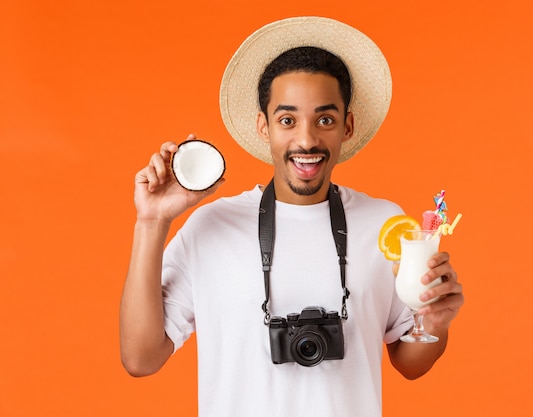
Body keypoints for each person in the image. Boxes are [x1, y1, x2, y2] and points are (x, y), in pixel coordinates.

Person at [119, 16, 464, 417]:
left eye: (325, 119)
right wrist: (151, 222)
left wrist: (436, 323)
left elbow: (410, 364)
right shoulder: (211, 227)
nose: (306, 139)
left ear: (347, 127)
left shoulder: (387, 227)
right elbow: (140, 359)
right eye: (287, 120)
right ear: (264, 127)